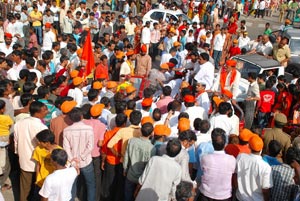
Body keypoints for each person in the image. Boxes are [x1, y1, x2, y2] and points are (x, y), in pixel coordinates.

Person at [14, 101, 48, 201]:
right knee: (39, 188)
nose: (47, 111)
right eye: (45, 109)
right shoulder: (42, 127)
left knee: (25, 189)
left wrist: (18, 153)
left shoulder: (19, 123)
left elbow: (16, 142)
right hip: (39, 163)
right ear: (37, 112)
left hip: (24, 160)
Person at [63, 107, 96, 201]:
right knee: (90, 185)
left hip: (72, 163)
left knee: (72, 185)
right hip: (86, 161)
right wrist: (81, 157)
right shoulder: (89, 129)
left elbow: (66, 148)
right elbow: (90, 146)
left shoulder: (66, 130)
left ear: (70, 118)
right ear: (82, 116)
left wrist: (73, 160)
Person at [198, 128, 236, 200]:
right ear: (225, 144)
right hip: (224, 196)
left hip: (206, 195)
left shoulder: (205, 158)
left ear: (212, 143)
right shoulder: (232, 160)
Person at [235, 135, 273, 201]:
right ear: (261, 149)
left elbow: (235, 175)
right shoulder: (266, 167)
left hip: (240, 197)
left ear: (249, 146)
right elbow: (265, 190)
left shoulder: (240, 157)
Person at [123, 122, 154, 201]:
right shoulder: (152, 148)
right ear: (151, 134)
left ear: (140, 130)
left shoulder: (131, 141)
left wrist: (125, 169)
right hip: (142, 178)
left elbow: (126, 157)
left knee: (127, 195)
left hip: (130, 174)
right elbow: (149, 165)